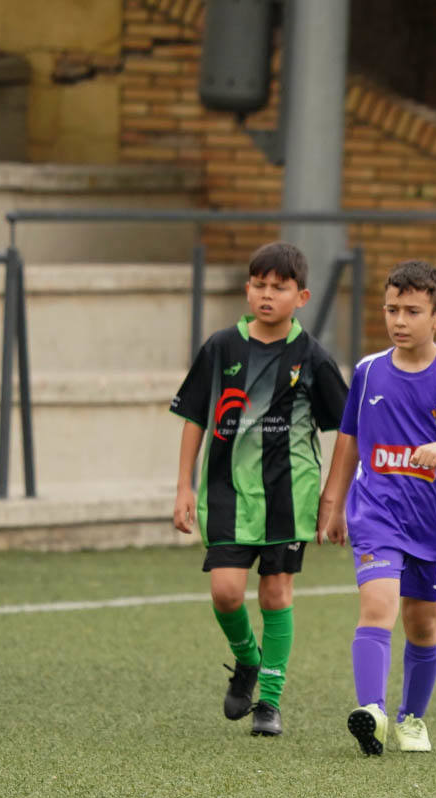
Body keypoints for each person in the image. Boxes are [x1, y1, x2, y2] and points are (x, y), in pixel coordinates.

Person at [317, 260, 436, 756]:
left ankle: (411, 717)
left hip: (433, 521)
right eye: (391, 309)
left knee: (422, 624)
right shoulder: (368, 371)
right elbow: (349, 438)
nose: (399, 320)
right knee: (378, 605)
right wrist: (332, 503)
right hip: (375, 512)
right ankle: (371, 712)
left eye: (412, 311)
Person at [171, 241, 349, 738]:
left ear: (302, 296)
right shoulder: (221, 346)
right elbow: (192, 415)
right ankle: (246, 660)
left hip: (290, 496)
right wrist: (183, 486)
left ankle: (269, 701)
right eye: (260, 285)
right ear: (248, 289)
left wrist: (332, 498)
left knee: (276, 594)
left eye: (280, 287)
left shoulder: (311, 356)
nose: (267, 295)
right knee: (226, 593)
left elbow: (346, 428)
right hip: (227, 491)